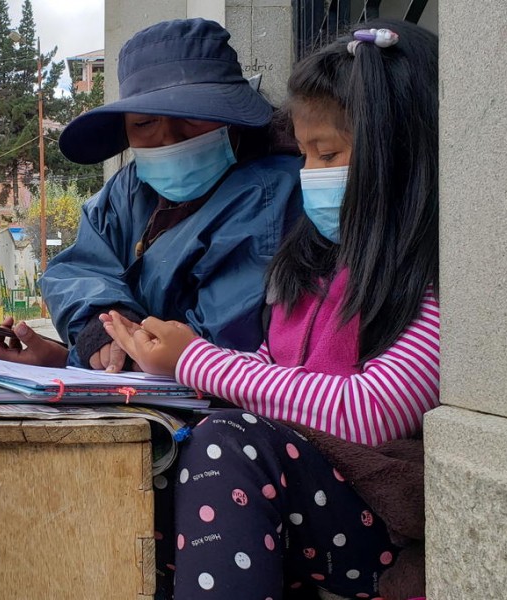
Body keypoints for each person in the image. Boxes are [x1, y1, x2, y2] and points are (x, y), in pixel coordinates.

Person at [103, 20, 439, 600]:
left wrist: (196, 363)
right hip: (303, 499)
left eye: (327, 153)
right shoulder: (308, 269)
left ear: (401, 151)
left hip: (378, 520)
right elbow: (264, 368)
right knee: (158, 453)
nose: (308, 175)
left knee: (225, 442)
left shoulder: (431, 281)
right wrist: (156, 377)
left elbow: (370, 414)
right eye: (305, 154)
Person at [0, 18, 302, 371]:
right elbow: (74, 269)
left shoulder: (273, 193)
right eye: (145, 124)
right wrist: (99, 332)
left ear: (233, 115)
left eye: (193, 117)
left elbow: (219, 345)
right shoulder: (129, 186)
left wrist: (80, 359)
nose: (169, 138)